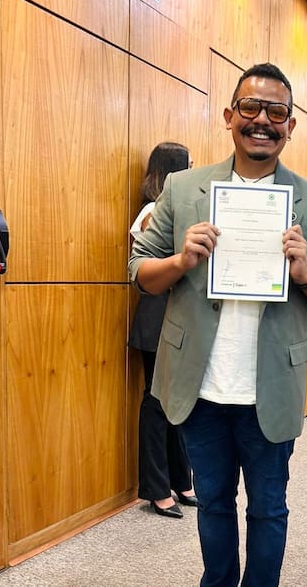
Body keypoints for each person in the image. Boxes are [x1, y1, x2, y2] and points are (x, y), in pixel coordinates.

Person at [129, 62, 307, 586]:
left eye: (277, 112)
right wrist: (181, 261)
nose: (262, 121)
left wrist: (305, 274)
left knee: (268, 509)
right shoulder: (183, 188)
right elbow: (140, 272)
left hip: (269, 389)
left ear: (290, 125)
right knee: (213, 503)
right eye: (251, 108)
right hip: (201, 385)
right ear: (230, 116)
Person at [128, 142, 197, 519]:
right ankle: (157, 489)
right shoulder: (153, 211)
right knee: (156, 404)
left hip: (176, 313)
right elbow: (155, 264)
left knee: (177, 402)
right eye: (190, 165)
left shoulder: (167, 208)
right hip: (157, 315)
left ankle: (181, 480)